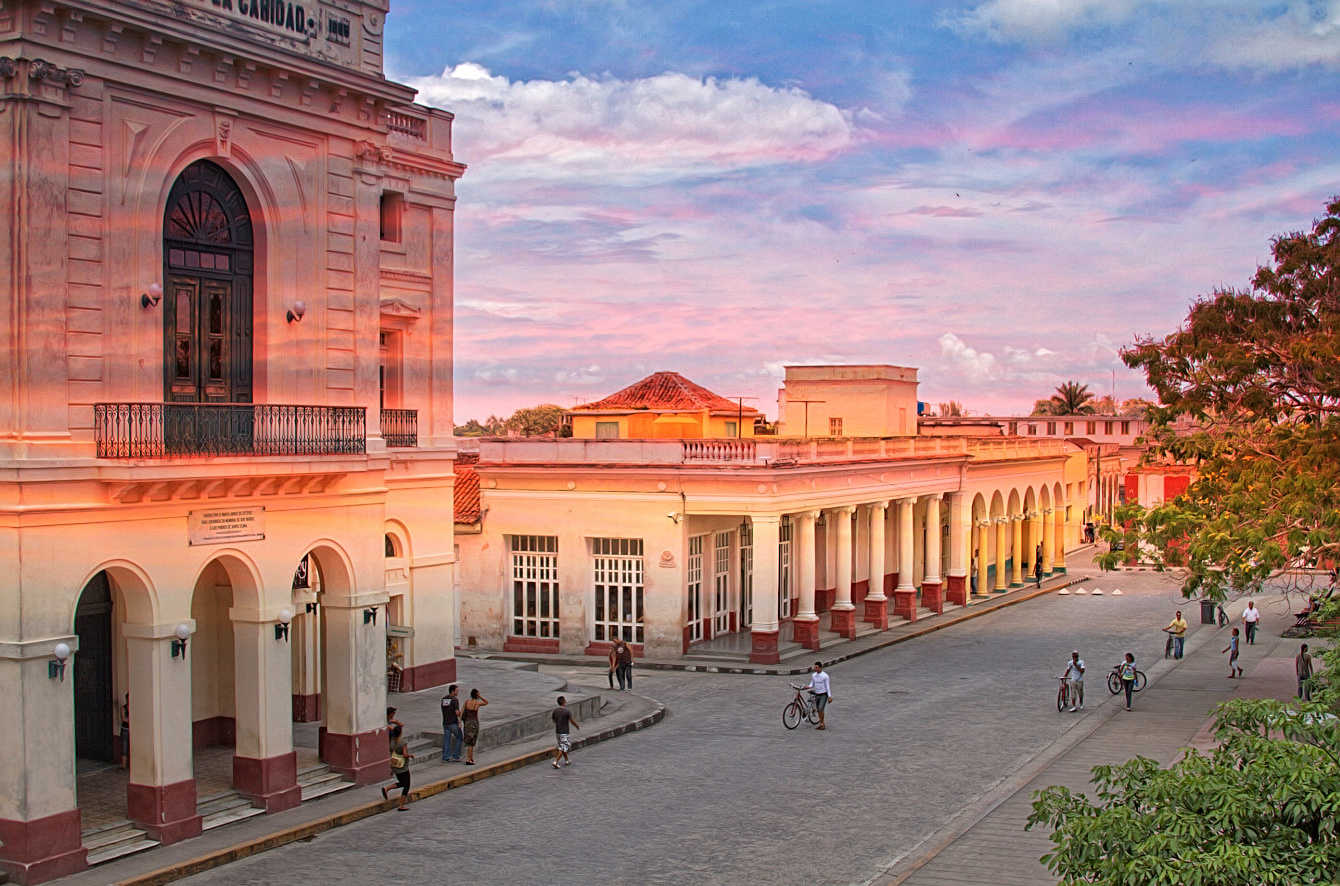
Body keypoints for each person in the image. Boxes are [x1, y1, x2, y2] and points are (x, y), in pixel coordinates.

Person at [381, 724, 413, 811]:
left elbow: (392, 755)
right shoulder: (403, 742)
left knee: (402, 783)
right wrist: (410, 755)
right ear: (400, 733)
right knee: (406, 785)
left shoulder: (392, 743)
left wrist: (391, 768)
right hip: (403, 767)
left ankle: (387, 788)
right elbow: (405, 754)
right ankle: (401, 805)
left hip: (395, 767)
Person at [550, 695, 580, 768]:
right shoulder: (567, 711)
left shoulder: (555, 711)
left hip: (557, 731)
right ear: (564, 702)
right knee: (563, 747)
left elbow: (553, 720)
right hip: (565, 732)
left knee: (562, 745)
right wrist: (576, 726)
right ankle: (556, 762)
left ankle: (567, 760)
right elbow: (571, 720)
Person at [462, 688, 487, 765]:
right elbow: (486, 702)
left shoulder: (466, 702)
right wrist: (480, 697)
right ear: (476, 695)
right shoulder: (477, 703)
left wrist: (460, 722)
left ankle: (471, 757)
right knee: (472, 742)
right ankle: (468, 758)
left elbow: (462, 712)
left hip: (467, 723)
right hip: (474, 723)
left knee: (468, 740)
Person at [805, 661, 831, 730]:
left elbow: (827, 687)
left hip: (823, 695)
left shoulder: (825, 676)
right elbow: (812, 684)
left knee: (821, 709)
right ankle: (821, 723)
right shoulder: (814, 675)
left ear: (820, 668)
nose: (815, 669)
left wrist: (829, 696)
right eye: (815, 667)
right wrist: (807, 687)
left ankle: (822, 723)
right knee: (818, 710)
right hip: (817, 694)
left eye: (816, 667)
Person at [440, 684, 463, 762]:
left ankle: (445, 757)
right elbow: (457, 712)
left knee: (447, 739)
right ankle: (456, 756)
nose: (457, 692)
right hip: (452, 722)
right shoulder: (454, 700)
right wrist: (461, 715)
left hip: (445, 722)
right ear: (452, 691)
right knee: (459, 737)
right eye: (456, 690)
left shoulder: (444, 699)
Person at [119, 694, 130, 771]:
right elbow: (124, 718)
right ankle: (123, 766)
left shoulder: (135, 707)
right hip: (125, 729)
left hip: (133, 730)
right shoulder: (123, 708)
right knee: (124, 747)